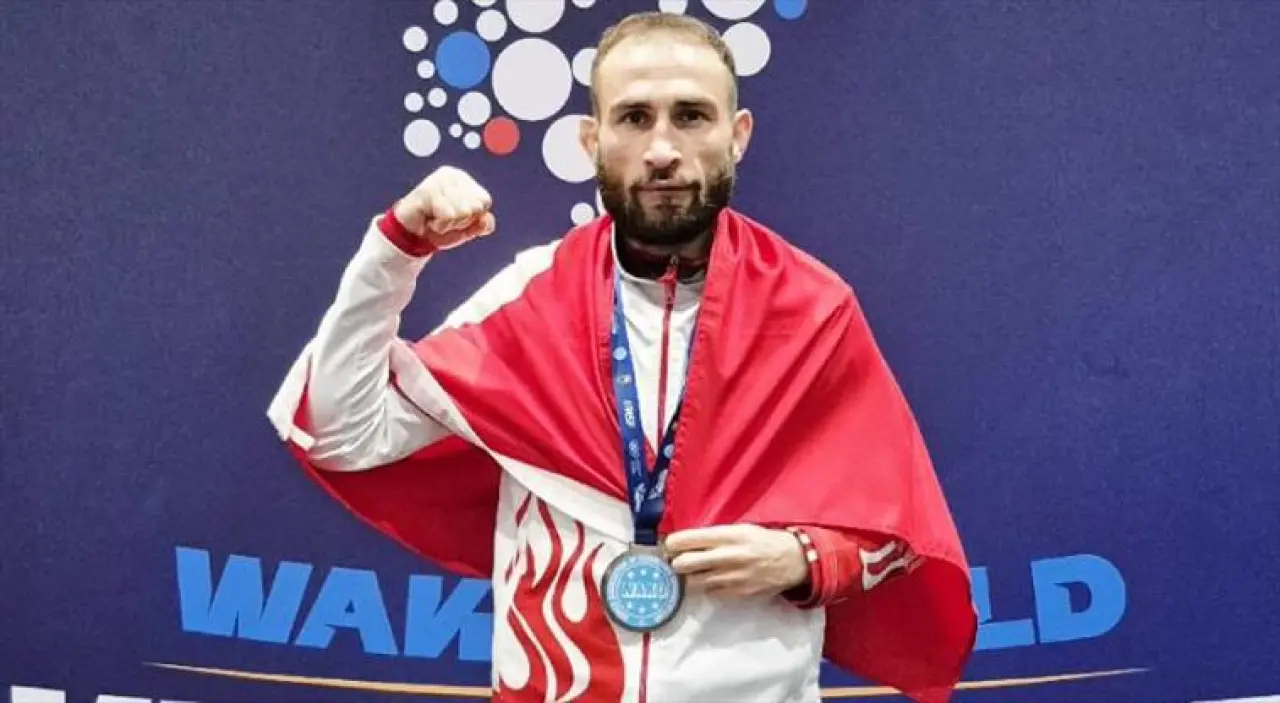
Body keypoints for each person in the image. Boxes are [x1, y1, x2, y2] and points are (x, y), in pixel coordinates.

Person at [267, 11, 976, 703]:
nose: (662, 148)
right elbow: (341, 431)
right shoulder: (530, 295)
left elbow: (900, 533)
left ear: (738, 136)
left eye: (691, 116)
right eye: (634, 118)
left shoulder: (811, 307)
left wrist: (806, 560)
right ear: (592, 140)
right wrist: (395, 251)